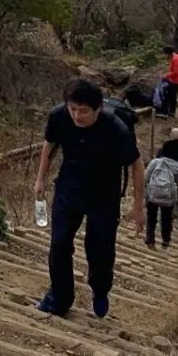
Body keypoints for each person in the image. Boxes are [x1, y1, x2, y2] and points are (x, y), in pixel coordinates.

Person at [34, 78, 144, 318]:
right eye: (73, 109)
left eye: (83, 111)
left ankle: (100, 290)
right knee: (59, 243)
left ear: (97, 109)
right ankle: (59, 298)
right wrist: (40, 179)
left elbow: (136, 164)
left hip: (104, 195)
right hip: (69, 188)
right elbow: (49, 144)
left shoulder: (115, 128)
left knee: (100, 250)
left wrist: (137, 206)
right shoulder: (59, 115)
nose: (77, 116)